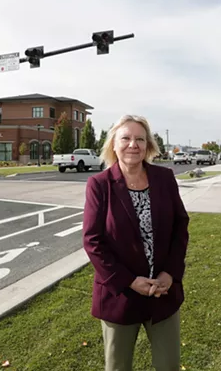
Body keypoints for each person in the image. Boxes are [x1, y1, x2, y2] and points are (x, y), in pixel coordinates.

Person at [82, 115, 190, 371]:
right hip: (120, 294)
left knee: (169, 365)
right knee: (118, 367)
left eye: (140, 139)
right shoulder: (99, 184)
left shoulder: (164, 178)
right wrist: (130, 281)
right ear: (114, 145)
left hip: (162, 292)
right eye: (126, 138)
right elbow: (92, 241)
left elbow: (180, 227)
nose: (133, 144)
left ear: (148, 145)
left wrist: (170, 274)